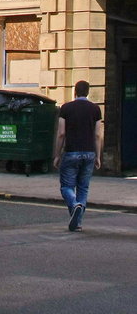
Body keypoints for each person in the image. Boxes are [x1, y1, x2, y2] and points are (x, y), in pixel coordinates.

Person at [53, 80, 103, 232]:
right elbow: (98, 135)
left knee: (67, 187)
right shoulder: (95, 109)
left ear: (75, 92)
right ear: (88, 92)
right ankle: (78, 223)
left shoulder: (66, 108)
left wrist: (57, 155)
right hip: (89, 153)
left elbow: (61, 133)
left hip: (71, 152)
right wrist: (98, 156)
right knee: (83, 188)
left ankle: (75, 205)